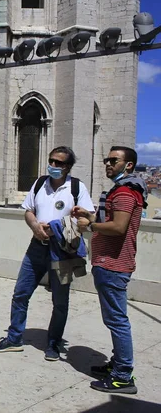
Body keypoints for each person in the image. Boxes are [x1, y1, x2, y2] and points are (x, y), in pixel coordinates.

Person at [0, 146, 95, 361]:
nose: (53, 165)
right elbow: (28, 211)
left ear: (68, 167)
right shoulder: (39, 184)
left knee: (60, 301)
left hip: (62, 251)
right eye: (51, 161)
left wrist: (61, 226)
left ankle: (54, 343)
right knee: (21, 293)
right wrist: (35, 226)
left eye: (59, 163)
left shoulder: (76, 187)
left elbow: (87, 218)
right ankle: (14, 338)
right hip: (37, 248)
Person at [73, 146, 147, 395]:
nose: (107, 163)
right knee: (114, 319)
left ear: (128, 165)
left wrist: (90, 224)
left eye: (113, 160)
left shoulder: (125, 191)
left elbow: (118, 228)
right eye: (107, 159)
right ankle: (117, 365)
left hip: (113, 264)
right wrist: (89, 214)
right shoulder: (124, 189)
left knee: (117, 321)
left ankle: (123, 376)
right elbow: (112, 220)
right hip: (109, 263)